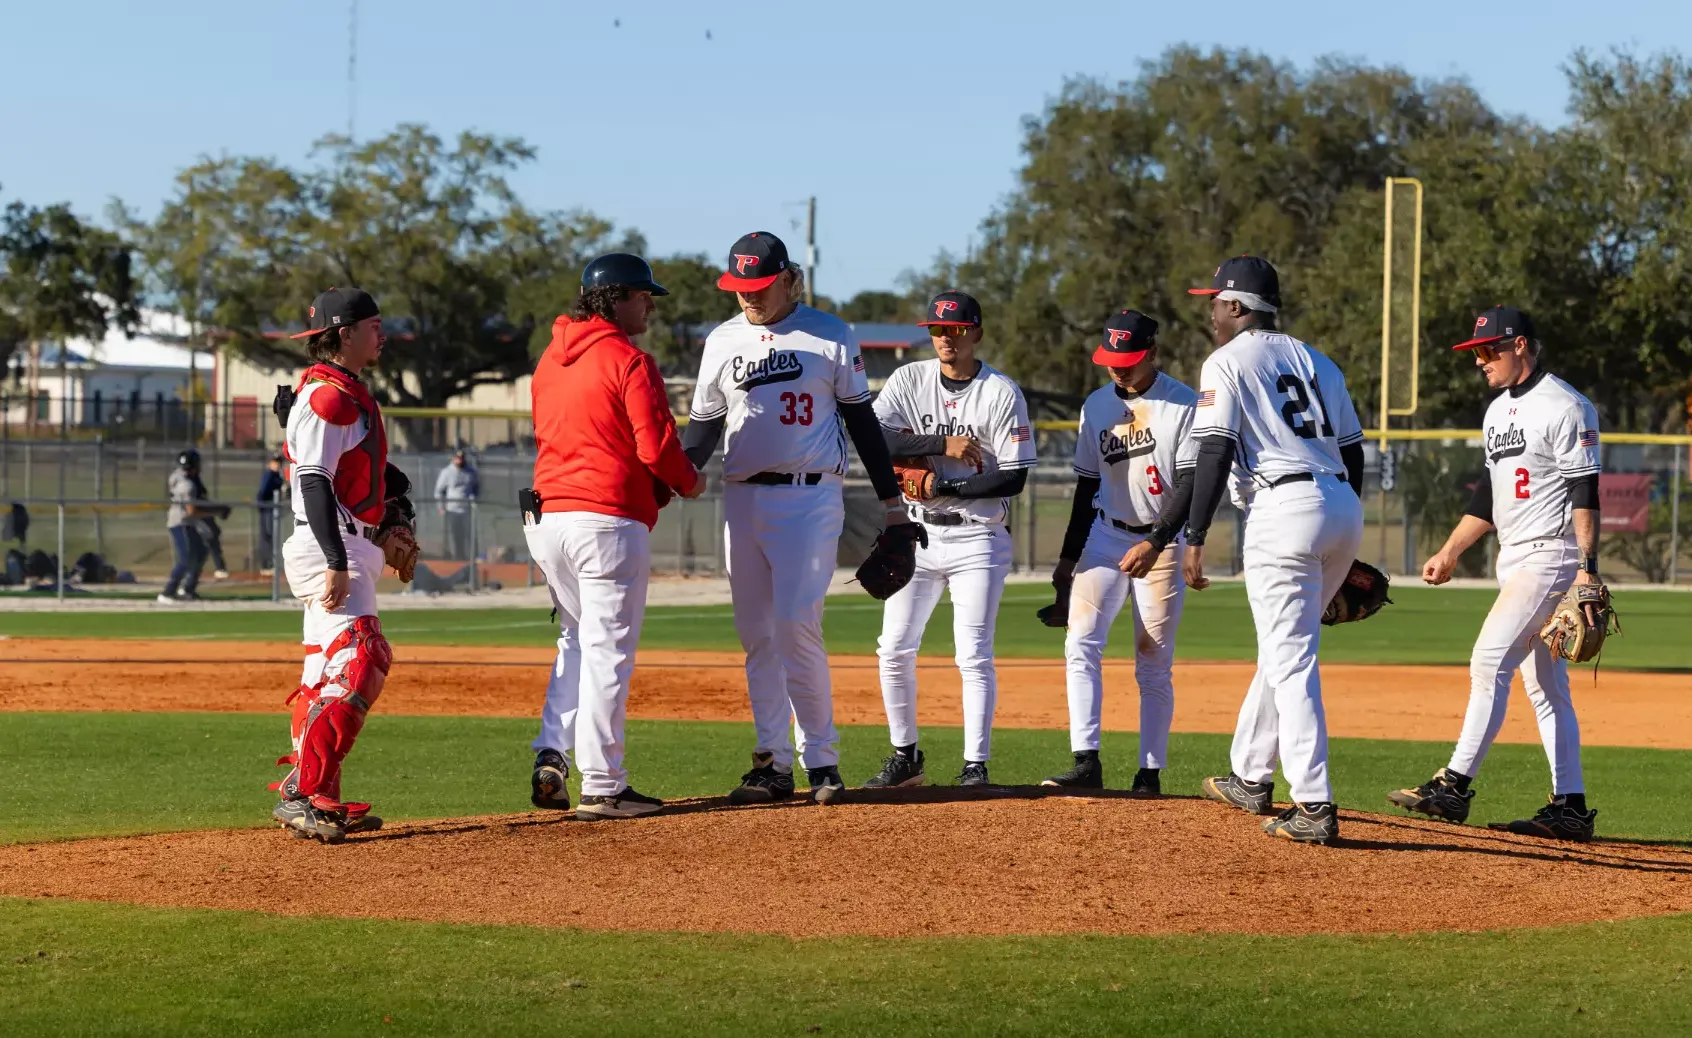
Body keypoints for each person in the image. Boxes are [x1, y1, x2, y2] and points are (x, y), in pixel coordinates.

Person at [682, 230, 909, 805]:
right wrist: (669, 477)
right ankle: (772, 763)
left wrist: (892, 505)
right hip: (741, 499)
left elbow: (862, 424)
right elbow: (702, 431)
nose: (749, 296)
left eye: (760, 284)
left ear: (788, 279)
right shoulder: (722, 340)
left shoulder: (830, 333)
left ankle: (822, 761)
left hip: (810, 498)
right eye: (740, 286)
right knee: (757, 636)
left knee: (794, 624)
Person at [1388, 306, 1602, 841]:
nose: (1480, 360)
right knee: (1545, 686)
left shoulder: (1566, 405)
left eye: (1489, 350)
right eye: (1476, 352)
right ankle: (1570, 806)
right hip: (1516, 557)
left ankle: (1454, 784)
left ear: (1520, 345)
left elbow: (1585, 489)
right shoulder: (1496, 412)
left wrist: (1587, 568)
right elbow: (1488, 496)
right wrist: (1450, 551)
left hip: (1551, 555)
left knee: (1488, 661)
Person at [1183, 256, 1366, 845]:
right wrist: (1339, 525)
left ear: (1238, 306)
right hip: (1340, 501)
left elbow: (1214, 451)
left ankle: (1313, 803)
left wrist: (1194, 535)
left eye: (1216, 301)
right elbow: (1353, 451)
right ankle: (1250, 776)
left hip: (1282, 509)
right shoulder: (1317, 360)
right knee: (1283, 647)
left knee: (1291, 660)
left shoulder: (1226, 360)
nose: (1212, 312)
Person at [524, 253, 702, 821]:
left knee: (576, 639)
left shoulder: (550, 358)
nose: (649, 304)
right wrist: (688, 481)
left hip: (548, 519)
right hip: (604, 521)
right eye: (643, 295)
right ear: (616, 298)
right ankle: (603, 784)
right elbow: (656, 446)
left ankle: (552, 753)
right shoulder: (628, 359)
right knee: (608, 650)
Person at [861, 291, 1034, 789]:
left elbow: (1014, 476)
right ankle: (905, 757)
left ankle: (975, 767)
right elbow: (872, 435)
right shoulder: (909, 379)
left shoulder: (1000, 392)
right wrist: (941, 445)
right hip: (918, 533)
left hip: (977, 536)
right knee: (894, 648)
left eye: (955, 330)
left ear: (975, 332)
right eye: (937, 329)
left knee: (973, 655)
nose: (945, 338)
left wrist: (943, 485)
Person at [271, 286, 408, 843]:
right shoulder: (328, 398)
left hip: (347, 541)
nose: (382, 335)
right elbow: (313, 481)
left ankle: (316, 796)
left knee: (323, 673)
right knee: (361, 659)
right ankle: (304, 792)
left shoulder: (343, 392)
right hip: (332, 545)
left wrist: (393, 509)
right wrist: (335, 560)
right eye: (373, 326)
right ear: (344, 334)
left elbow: (364, 471)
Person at [1041, 310, 1198, 795]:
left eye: (1128, 359)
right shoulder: (1096, 405)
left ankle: (1148, 774)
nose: (1118, 368)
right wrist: (1067, 561)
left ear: (1152, 352)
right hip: (1105, 535)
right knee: (1080, 642)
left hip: (1162, 539)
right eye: (1111, 358)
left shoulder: (1182, 404)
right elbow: (1086, 486)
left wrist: (1158, 541)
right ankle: (1085, 761)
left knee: (1152, 661)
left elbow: (1191, 484)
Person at [159, 448, 210, 603]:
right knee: (186, 558)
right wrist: (216, 512)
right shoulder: (187, 485)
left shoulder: (177, 476)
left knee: (200, 552)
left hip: (186, 521)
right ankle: (168, 591)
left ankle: (188, 588)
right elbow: (191, 511)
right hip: (181, 522)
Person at [435, 448, 479, 560]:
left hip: (467, 509)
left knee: (469, 534)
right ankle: (458, 557)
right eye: (458, 458)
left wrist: (475, 499)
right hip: (452, 510)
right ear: (453, 459)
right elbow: (439, 491)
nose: (460, 460)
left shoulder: (471, 472)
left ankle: (472, 557)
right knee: (455, 534)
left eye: (462, 458)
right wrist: (440, 506)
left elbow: (476, 488)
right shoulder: (446, 472)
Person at [256, 454, 286, 575]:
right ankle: (266, 565)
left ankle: (270, 563)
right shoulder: (269, 475)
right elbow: (262, 492)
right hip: (267, 508)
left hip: (272, 508)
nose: (277, 464)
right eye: (274, 462)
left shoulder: (277, 475)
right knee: (267, 536)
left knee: (271, 536)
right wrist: (261, 505)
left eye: (279, 462)